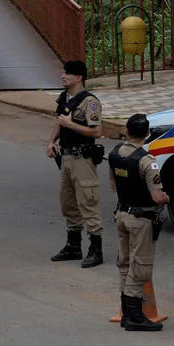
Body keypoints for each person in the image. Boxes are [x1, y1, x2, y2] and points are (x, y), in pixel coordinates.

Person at [108, 113, 170, 332]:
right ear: (147, 134)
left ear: (126, 131)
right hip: (140, 218)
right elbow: (157, 197)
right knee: (140, 267)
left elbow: (114, 186)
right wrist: (167, 197)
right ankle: (135, 316)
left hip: (122, 215)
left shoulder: (114, 154)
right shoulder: (147, 161)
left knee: (124, 263)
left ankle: (126, 311)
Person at [47, 60, 105, 268]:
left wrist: (71, 124)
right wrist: (51, 141)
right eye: (63, 72)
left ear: (78, 77)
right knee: (68, 202)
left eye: (67, 73)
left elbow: (97, 131)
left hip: (83, 159)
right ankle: (73, 246)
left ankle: (95, 248)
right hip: (66, 157)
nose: (63, 76)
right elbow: (59, 122)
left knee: (87, 202)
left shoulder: (90, 103)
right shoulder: (64, 98)